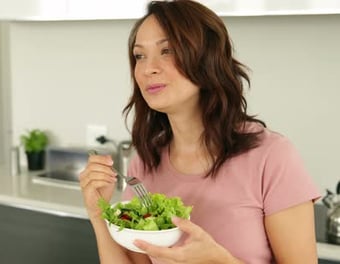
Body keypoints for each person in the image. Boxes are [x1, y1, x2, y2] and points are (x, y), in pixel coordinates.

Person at [78, 0, 321, 263]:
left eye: (167, 50)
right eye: (140, 56)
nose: (148, 68)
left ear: (207, 58)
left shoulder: (271, 157)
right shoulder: (144, 165)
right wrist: (98, 214)